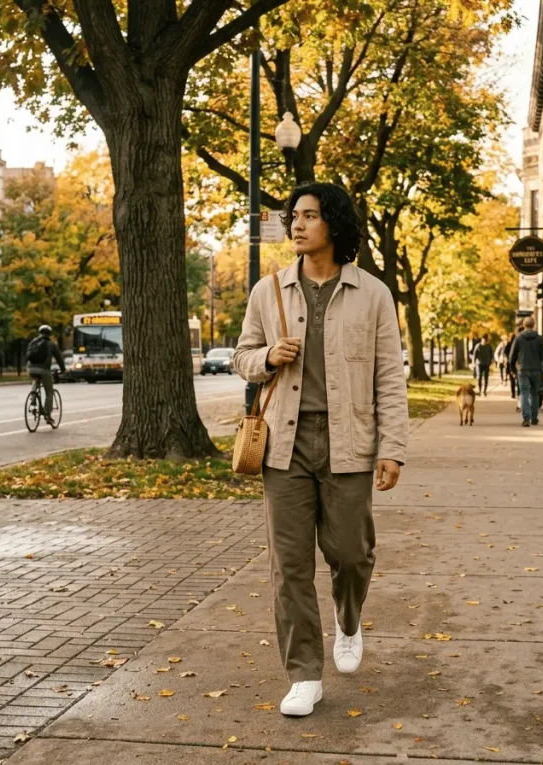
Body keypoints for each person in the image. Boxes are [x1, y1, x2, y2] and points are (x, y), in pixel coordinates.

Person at [232, 182, 409, 718]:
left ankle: (348, 618)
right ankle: (304, 675)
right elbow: (241, 357)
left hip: (348, 441)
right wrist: (267, 356)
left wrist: (392, 447)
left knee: (352, 553)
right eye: (294, 216)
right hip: (283, 445)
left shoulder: (373, 294)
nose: (298, 224)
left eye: (309, 215)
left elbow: (389, 378)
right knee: (289, 566)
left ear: (334, 222)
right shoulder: (268, 291)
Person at [507, 316, 543, 427]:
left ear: (524, 325)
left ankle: (526, 418)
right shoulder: (539, 339)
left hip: (522, 370)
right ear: (534, 325)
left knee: (524, 393)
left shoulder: (518, 338)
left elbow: (512, 356)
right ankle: (534, 418)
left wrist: (512, 369)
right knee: (535, 394)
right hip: (536, 370)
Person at [26, 325, 65, 424]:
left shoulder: (33, 341)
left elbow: (28, 355)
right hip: (44, 369)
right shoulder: (52, 344)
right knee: (49, 392)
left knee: (35, 379)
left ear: (40, 332)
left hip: (30, 368)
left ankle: (33, 397)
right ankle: (47, 414)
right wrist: (63, 370)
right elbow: (59, 358)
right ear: (50, 334)